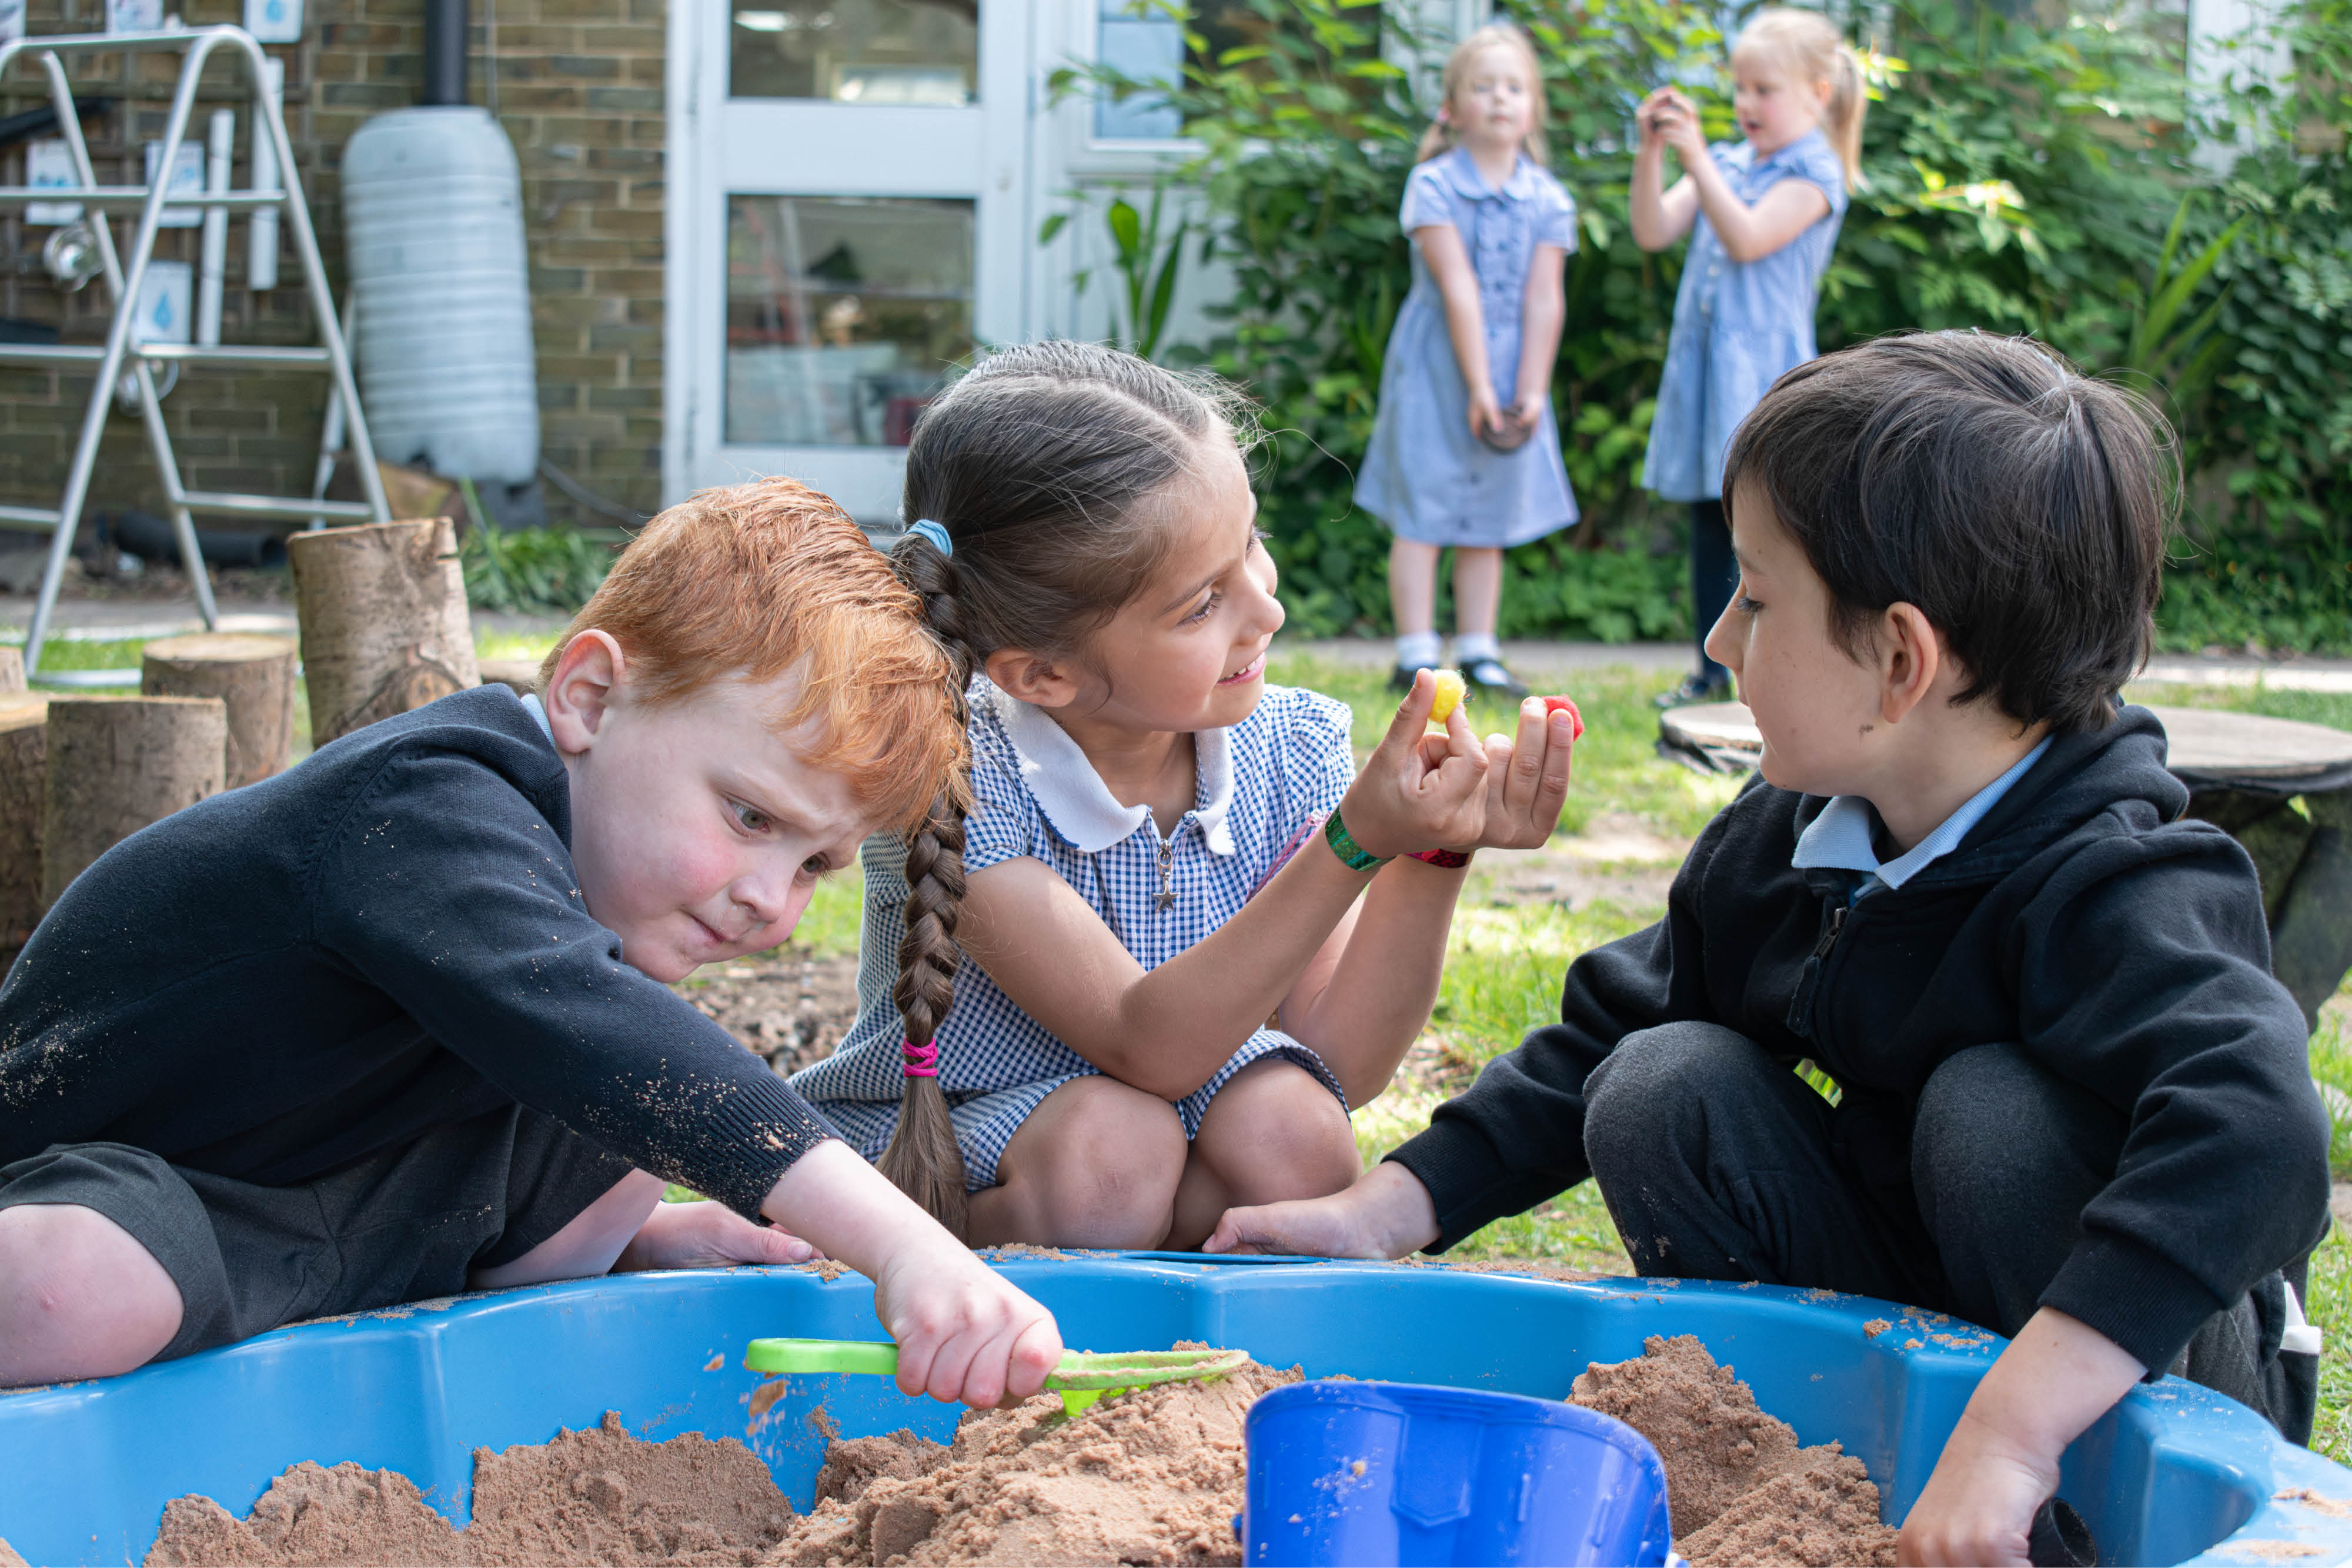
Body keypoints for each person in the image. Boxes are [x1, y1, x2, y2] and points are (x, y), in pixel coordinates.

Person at [1204, 333, 2333, 1566]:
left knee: (1992, 1113)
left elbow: (2256, 1135)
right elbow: (1615, 1027)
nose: (1718, 635)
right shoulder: (1797, 832)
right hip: (1928, 1322)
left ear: (1898, 661)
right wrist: (1381, 1212)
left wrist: (2012, 1429)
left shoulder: (2122, 879)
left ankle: (2050, 1521)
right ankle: (1824, 1469)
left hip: (2148, 1374)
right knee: (1663, 1079)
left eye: (1753, 595)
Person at [0, 479, 1062, 1410]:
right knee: (74, 1289)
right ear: (589, 697)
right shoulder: (426, 802)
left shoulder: (585, 881)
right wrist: (904, 1244)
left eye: (813, 866)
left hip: (325, 1202)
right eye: (750, 818)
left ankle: (505, 1310)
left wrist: (636, 1244)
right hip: (134, 1180)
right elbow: (608, 1038)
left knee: (627, 1159)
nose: (768, 901)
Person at [791, 340, 1580, 1252]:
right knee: (1114, 1154)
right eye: (1203, 602)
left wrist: (1433, 849)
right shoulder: (954, 774)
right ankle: (889, 1252)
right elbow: (1146, 1041)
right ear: (1043, 672)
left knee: (1299, 1127)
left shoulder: (1290, 745)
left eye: (1252, 544)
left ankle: (1190, 1337)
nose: (1268, 609)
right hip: (977, 1138)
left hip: (1172, 1132)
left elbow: (1343, 1061)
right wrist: (1353, 839)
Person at [1633, 8, 1864, 707]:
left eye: (1765, 89)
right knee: (1710, 516)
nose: (1745, 105)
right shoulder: (1729, 161)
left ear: (1818, 93)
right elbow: (1651, 230)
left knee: (1762, 524)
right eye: (1739, 88)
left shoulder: (1816, 172)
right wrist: (1653, 153)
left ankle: (1771, 667)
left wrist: (1697, 157)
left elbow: (1748, 238)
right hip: (1708, 377)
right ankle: (1709, 670)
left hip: (1762, 378)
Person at [1354, 22, 1578, 704]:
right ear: (1451, 107)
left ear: (1533, 108)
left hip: (1514, 369)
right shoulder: (1432, 186)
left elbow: (1545, 298)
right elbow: (1456, 289)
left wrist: (1530, 389)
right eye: (1482, 88)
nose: (1500, 100)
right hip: (1436, 369)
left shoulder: (1548, 198)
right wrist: (1478, 385)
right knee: (1424, 510)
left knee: (1490, 515)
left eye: (1514, 88)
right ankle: (1415, 650)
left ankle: (1479, 651)